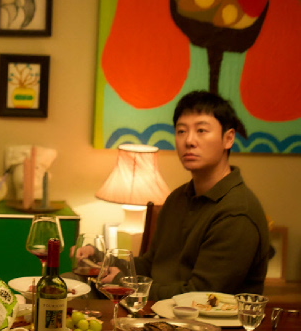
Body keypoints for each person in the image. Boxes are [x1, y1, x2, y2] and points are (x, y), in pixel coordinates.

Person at [75, 90, 270, 301]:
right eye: (181, 131)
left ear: (228, 139)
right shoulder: (178, 198)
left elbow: (201, 296)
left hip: (201, 315)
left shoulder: (237, 212)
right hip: (155, 309)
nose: (189, 141)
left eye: (202, 130)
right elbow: (151, 264)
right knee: (69, 286)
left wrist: (126, 284)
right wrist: (102, 259)